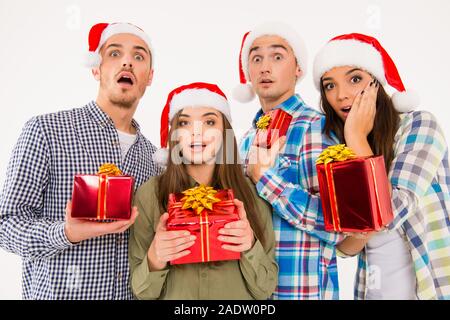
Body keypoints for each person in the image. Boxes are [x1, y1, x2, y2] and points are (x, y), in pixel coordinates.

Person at [0, 22, 161, 299]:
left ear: (149, 77)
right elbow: (6, 224)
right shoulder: (46, 131)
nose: (127, 61)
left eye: (138, 56)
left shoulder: (153, 158)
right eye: (114, 53)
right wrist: (66, 233)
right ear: (96, 68)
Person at [313, 33, 450, 300]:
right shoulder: (339, 149)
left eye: (355, 79)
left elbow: (393, 209)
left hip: (427, 289)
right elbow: (344, 246)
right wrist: (362, 231)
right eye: (329, 86)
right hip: (371, 291)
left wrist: (356, 138)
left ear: (378, 83)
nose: (342, 95)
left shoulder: (420, 126)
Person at [129, 82, 277, 299]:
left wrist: (249, 245)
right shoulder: (149, 195)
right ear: (175, 136)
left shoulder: (252, 193)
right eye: (184, 123)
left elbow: (265, 289)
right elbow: (143, 293)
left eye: (209, 121)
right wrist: (155, 258)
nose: (197, 133)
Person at [233, 22, 344, 300]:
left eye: (277, 56)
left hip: (299, 292)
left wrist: (265, 179)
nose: (264, 67)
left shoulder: (317, 128)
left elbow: (338, 226)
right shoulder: (245, 138)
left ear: (298, 69)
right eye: (256, 58)